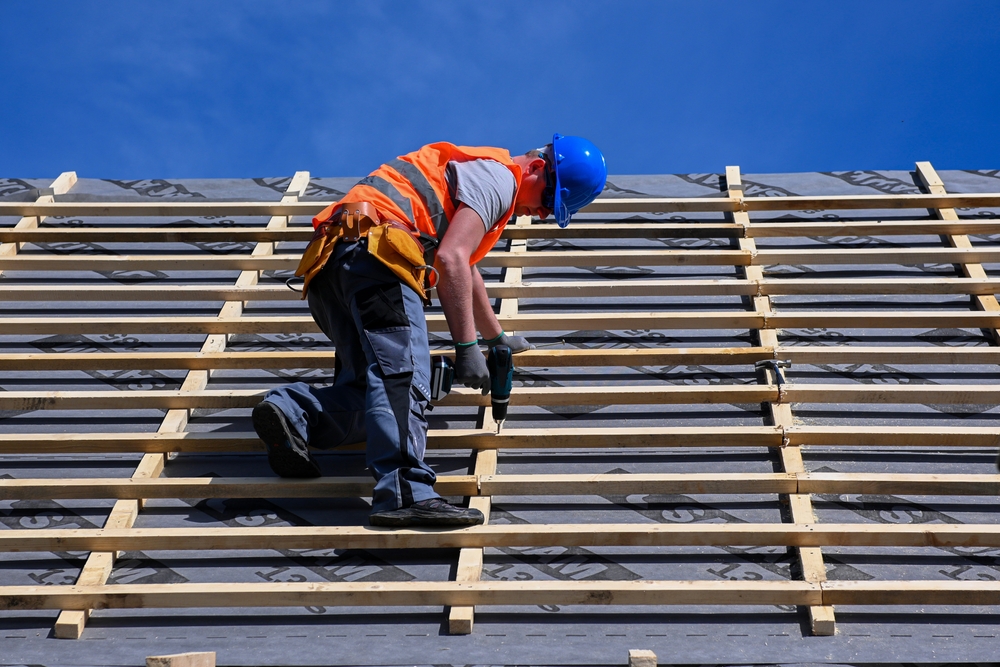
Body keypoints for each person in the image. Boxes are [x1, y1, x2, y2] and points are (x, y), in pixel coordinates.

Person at [251, 134, 607, 527]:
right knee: (403, 378)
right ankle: (406, 492)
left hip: (331, 265)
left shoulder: (472, 177)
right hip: (379, 258)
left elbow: (466, 267)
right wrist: (467, 348)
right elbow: (452, 259)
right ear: (539, 167)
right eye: (546, 201)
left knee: (370, 390)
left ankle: (293, 410)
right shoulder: (499, 179)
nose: (539, 214)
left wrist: (495, 339)